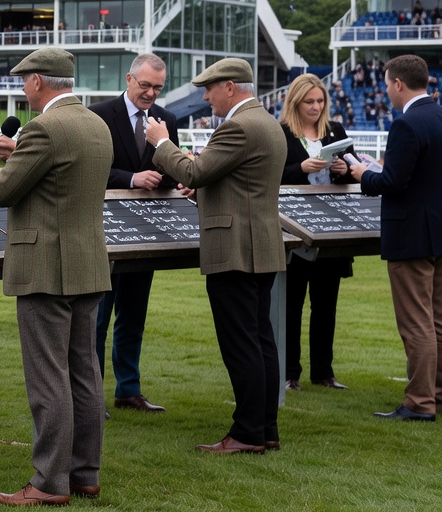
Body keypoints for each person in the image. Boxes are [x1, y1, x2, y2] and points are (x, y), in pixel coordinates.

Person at [0, 47, 112, 507]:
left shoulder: (43, 128)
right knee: (84, 373)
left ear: (37, 81)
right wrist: (20, 154)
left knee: (49, 377)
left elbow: (2, 191)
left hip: (45, 267)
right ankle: (84, 473)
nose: (23, 88)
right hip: (87, 261)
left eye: (24, 80)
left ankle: (49, 482)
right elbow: (60, 179)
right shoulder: (95, 123)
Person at [145, 58, 287, 453]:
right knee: (261, 341)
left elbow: (192, 173)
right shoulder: (267, 122)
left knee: (241, 343)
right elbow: (238, 181)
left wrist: (161, 141)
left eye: (209, 88)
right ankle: (265, 429)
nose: (205, 97)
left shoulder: (239, 126)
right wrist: (206, 187)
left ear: (229, 87)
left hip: (235, 248)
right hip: (260, 244)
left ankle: (245, 433)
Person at [350, 54, 442, 422]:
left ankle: (419, 402)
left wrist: (362, 173)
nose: (387, 91)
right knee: (436, 320)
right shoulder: (437, 116)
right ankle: (435, 392)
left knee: (416, 322)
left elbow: (392, 183)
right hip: (437, 234)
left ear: (398, 84)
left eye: (388, 84)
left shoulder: (407, 124)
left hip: (412, 236)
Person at [87, 53, 177, 414]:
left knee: (134, 315)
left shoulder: (166, 119)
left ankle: (129, 389)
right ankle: (91, 394)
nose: (151, 93)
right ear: (128, 79)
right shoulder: (97, 115)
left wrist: (168, 176)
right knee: (97, 318)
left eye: (157, 87)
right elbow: (90, 169)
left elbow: (170, 170)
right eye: (145, 86)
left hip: (145, 232)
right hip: (105, 230)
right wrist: (131, 179)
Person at [278, 74, 353, 392]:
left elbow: (352, 168)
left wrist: (344, 170)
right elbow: (272, 175)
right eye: (309, 101)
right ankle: (289, 372)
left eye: (320, 101)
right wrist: (300, 170)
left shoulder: (335, 129)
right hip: (295, 230)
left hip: (331, 228)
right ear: (295, 102)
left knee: (326, 304)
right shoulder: (280, 132)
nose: (316, 106)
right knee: (291, 304)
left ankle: (323, 372)